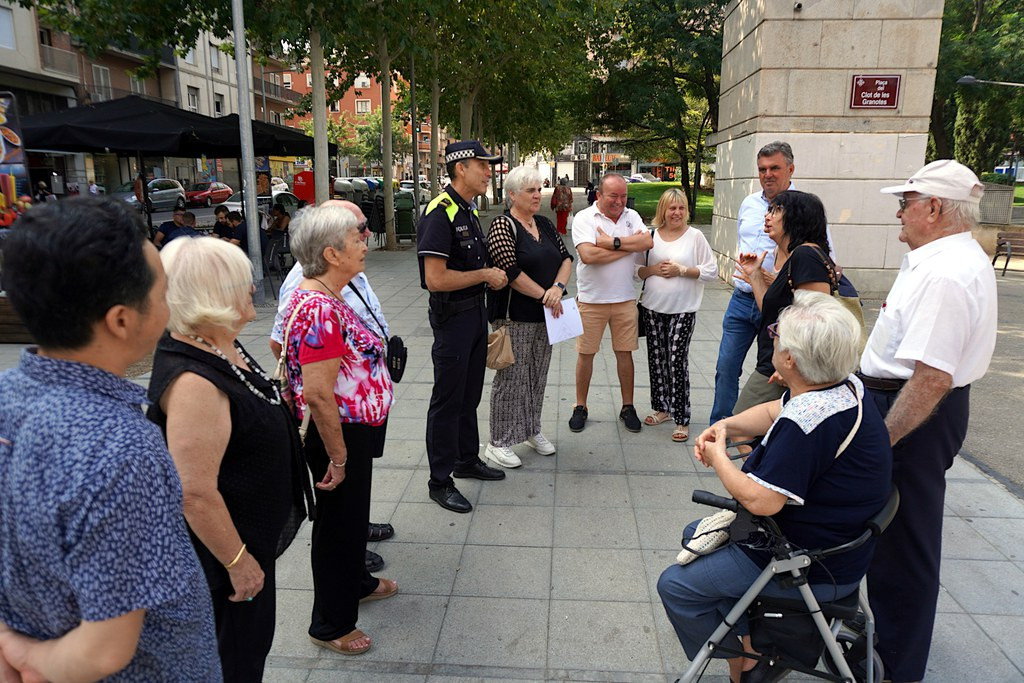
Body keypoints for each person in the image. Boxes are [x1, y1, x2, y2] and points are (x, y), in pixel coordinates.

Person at [0, 197, 220, 681]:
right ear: (122, 320)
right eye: (163, 293)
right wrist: (25, 658)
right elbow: (105, 650)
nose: (170, 306)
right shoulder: (120, 449)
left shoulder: (6, 398)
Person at [658, 292, 892, 683]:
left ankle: (744, 662)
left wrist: (718, 457)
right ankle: (755, 633)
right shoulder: (843, 388)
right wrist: (727, 427)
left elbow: (761, 500)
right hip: (842, 547)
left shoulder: (806, 425)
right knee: (693, 536)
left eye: (776, 335)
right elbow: (773, 410)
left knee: (676, 587)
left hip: (808, 562)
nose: (773, 338)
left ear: (790, 360)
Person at [147, 237, 311, 682]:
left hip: (248, 541)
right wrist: (238, 563)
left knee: (248, 651)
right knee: (235, 659)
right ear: (211, 294)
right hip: (225, 561)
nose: (254, 286)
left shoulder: (218, 345)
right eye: (243, 280)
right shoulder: (194, 381)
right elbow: (194, 491)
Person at [862, 160, 997, 683]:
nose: (899, 211)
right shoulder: (935, 257)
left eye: (906, 202)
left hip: (912, 414)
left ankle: (897, 666)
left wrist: (883, 439)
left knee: (905, 545)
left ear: (934, 208)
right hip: (905, 405)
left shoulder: (946, 271)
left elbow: (931, 379)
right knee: (893, 537)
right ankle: (887, 648)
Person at [281, 203, 397, 656]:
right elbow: (318, 394)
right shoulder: (319, 308)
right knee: (336, 526)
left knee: (351, 521)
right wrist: (339, 456)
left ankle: (355, 583)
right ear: (331, 253)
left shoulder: (328, 296)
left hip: (351, 429)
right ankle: (329, 624)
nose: (365, 243)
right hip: (337, 434)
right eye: (357, 238)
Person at [417, 140, 509, 513]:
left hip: (473, 314)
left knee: (469, 395)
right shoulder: (440, 212)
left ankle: (466, 459)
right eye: (482, 165)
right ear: (460, 168)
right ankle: (440, 481)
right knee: (447, 401)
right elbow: (435, 279)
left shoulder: (466, 210)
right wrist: (484, 273)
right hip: (452, 318)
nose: (489, 171)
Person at [484, 166, 573, 468]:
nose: (538, 195)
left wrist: (558, 289)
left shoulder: (545, 224)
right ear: (512, 194)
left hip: (547, 316)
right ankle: (498, 441)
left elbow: (566, 258)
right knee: (511, 378)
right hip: (514, 318)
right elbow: (510, 272)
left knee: (538, 375)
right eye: (530, 191)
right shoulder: (502, 225)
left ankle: (531, 429)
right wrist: (544, 295)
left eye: (538, 189)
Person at [710, 142, 795, 424]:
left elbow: (826, 257)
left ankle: (763, 430)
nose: (767, 174)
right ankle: (720, 430)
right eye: (762, 169)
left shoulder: (803, 207)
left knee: (775, 372)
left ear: (790, 169)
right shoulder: (749, 203)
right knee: (726, 366)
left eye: (775, 168)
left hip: (777, 305)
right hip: (742, 298)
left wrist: (782, 279)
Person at [731, 190, 835, 416]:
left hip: (789, 366)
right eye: (769, 210)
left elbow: (816, 320)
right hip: (777, 362)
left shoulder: (806, 256)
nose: (767, 216)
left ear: (797, 217)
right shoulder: (793, 256)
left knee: (738, 428)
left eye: (776, 211)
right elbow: (769, 312)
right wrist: (755, 275)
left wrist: (794, 362)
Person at [568, 173, 653, 433]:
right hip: (591, 300)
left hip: (625, 299)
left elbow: (648, 241)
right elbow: (588, 255)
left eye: (623, 195)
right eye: (613, 196)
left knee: (625, 354)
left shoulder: (632, 216)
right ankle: (580, 406)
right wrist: (627, 247)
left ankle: (628, 406)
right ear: (599, 195)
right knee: (586, 354)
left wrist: (611, 242)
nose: (619, 201)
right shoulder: (584, 218)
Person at [636, 188, 717, 443]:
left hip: (683, 309)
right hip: (652, 307)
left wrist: (683, 270)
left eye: (681, 207)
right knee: (656, 359)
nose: (677, 213)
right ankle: (662, 408)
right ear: (663, 210)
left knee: (675, 359)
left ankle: (682, 417)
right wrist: (653, 270)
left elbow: (711, 271)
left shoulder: (695, 237)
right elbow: (637, 271)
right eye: (672, 208)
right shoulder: (651, 237)